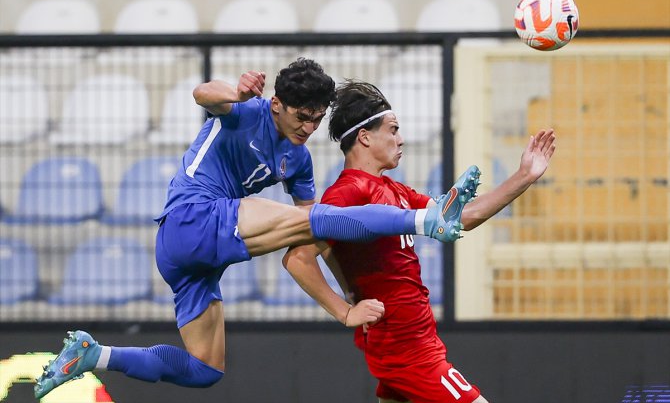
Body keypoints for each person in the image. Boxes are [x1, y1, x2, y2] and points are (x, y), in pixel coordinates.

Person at [35, 59, 478, 399]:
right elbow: (201, 92)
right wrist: (235, 91)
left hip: (192, 259)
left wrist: (349, 291)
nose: (308, 128)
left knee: (204, 371)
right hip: (194, 218)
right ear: (276, 104)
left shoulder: (299, 159)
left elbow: (321, 238)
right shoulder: (244, 113)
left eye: (316, 119)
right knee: (314, 216)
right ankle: (428, 219)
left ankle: (94, 354)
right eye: (301, 116)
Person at [284, 80, 556, 403]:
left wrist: (523, 176)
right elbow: (297, 257)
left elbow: (460, 217)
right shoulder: (347, 192)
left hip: (415, 339)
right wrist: (345, 312)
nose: (401, 139)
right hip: (406, 349)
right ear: (365, 137)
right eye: (393, 129)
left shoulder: (396, 191)